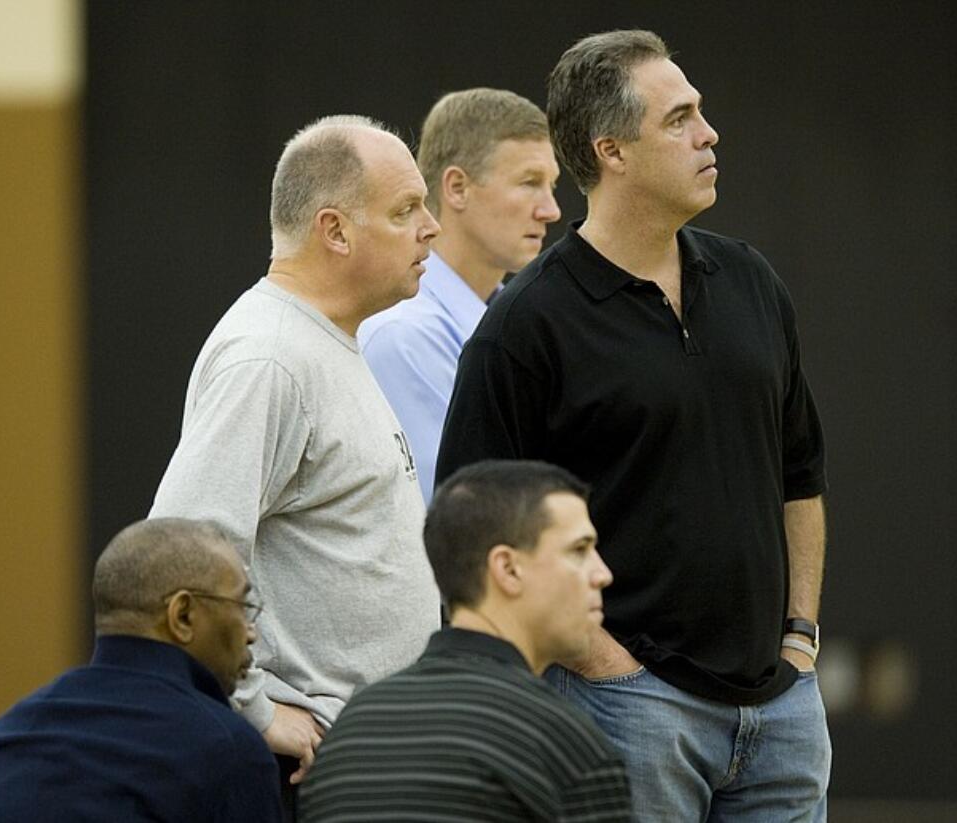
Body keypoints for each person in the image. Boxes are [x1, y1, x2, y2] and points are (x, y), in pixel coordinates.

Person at [435, 30, 831, 822]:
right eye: (679, 118)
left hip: (782, 711)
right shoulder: (526, 324)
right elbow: (468, 532)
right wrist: (604, 666)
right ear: (610, 150)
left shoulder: (751, 279)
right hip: (628, 708)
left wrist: (800, 640)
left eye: (701, 114)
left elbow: (801, 477)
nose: (708, 133)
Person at [149, 116, 443, 811]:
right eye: (406, 210)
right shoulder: (269, 359)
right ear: (335, 230)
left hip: (368, 761)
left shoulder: (327, 342)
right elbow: (178, 557)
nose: (431, 227)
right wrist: (253, 707)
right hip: (315, 774)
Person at [298, 460, 632, 822]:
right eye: (579, 550)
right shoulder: (563, 744)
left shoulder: (351, 733)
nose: (602, 574)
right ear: (507, 568)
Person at [0, 518, 281, 822]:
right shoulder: (227, 751)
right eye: (242, 607)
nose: (251, 633)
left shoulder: (4, 740)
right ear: (182, 616)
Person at [358, 89, 561, 502]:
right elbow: (462, 523)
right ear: (457, 187)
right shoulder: (405, 337)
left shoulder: (516, 324)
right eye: (529, 183)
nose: (551, 210)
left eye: (552, 186)